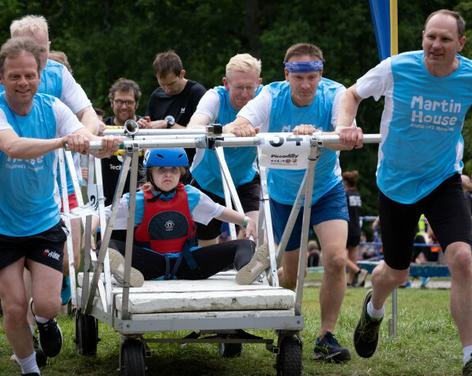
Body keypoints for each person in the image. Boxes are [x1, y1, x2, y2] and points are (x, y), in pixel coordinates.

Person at [337, 9, 472, 375]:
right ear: (423, 37)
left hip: (444, 179)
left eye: (445, 39)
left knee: (462, 258)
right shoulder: (397, 68)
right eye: (431, 36)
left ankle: (469, 354)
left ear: (460, 43)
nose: (436, 45)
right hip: (396, 183)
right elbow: (351, 94)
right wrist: (346, 125)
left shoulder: (468, 77)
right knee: (395, 273)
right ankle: (373, 310)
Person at [225, 42, 357, 363]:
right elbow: (235, 124)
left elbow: (343, 128)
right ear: (287, 75)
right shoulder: (271, 95)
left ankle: (326, 335)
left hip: (325, 189)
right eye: (299, 78)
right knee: (290, 273)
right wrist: (240, 125)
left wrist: (337, 133)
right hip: (284, 197)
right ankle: (286, 326)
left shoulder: (335, 93)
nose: (306, 85)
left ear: (320, 75)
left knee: (337, 258)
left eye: (313, 77)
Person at [0, 36, 118, 376]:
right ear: (3, 78)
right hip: (4, 229)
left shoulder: (52, 106)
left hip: (44, 223)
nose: (23, 83)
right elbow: (13, 147)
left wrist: (101, 145)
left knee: (49, 303)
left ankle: (44, 321)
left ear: (39, 75)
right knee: (13, 308)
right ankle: (29, 369)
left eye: (29, 75)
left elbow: (85, 137)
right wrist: (62, 142)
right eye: (15, 76)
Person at [104, 148, 257, 284]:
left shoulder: (191, 195)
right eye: (161, 170)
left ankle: (248, 270)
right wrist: (90, 231)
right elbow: (105, 214)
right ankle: (124, 272)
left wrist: (245, 220)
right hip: (150, 264)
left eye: (174, 170)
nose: (168, 175)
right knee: (108, 245)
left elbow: (218, 211)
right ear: (150, 173)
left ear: (181, 173)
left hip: (189, 264)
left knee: (244, 245)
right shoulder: (136, 200)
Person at [187, 53, 262, 246]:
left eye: (250, 87)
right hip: (207, 181)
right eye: (239, 87)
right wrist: (227, 129)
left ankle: (245, 263)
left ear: (259, 83)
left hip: (244, 179)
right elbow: (193, 129)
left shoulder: (264, 98)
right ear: (226, 83)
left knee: (253, 234)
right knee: (207, 250)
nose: (245, 94)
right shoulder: (214, 97)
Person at [137, 50, 206, 163]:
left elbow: (201, 135)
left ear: (182, 74)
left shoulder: (197, 93)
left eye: (171, 84)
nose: (167, 89)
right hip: (160, 163)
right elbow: (148, 134)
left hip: (191, 163)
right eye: (162, 84)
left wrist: (168, 124)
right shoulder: (156, 96)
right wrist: (145, 126)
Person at [101, 78, 146, 207]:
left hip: (140, 201)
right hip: (108, 201)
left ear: (136, 104)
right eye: (119, 101)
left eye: (129, 102)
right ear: (112, 103)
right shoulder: (103, 127)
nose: (124, 106)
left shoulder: (146, 128)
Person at [342, 170, 368, 287]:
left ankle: (359, 272)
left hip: (348, 228)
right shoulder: (357, 194)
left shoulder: (345, 195)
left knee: (340, 254)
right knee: (353, 256)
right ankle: (350, 281)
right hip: (357, 228)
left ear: (345, 182)